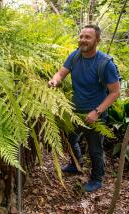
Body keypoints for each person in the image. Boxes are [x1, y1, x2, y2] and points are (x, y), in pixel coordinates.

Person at [48, 25, 121, 192]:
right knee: (71, 139)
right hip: (75, 112)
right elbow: (61, 73)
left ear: (97, 40)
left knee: (95, 149)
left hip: (95, 114)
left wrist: (97, 112)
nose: (83, 40)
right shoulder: (75, 56)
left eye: (87, 37)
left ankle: (97, 179)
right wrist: (55, 81)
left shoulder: (105, 63)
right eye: (81, 36)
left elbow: (115, 92)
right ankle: (76, 163)